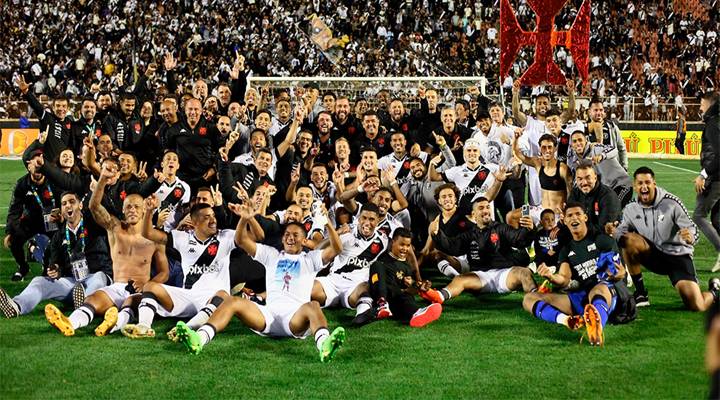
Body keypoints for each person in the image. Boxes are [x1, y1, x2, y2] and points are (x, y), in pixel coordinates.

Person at [174, 203, 347, 363]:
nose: (290, 238)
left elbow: (337, 248)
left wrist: (327, 224)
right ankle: (199, 339)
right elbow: (242, 241)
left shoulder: (311, 259)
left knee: (313, 305)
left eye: (295, 235)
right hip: (267, 316)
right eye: (287, 234)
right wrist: (244, 218)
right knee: (233, 301)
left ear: (304, 241)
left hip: (294, 319)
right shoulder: (271, 255)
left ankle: (324, 345)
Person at [44, 162, 168, 337]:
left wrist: (148, 285)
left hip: (141, 291)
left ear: (143, 211)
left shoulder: (155, 238)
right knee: (91, 299)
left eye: (136, 207)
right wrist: (102, 179)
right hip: (116, 286)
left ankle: (115, 324)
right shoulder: (114, 228)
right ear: (123, 210)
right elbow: (94, 207)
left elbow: (164, 272)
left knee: (131, 303)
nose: (132, 210)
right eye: (128, 207)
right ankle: (70, 323)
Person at [119, 197, 244, 339]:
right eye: (207, 217)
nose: (213, 220)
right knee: (150, 286)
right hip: (188, 296)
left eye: (213, 216)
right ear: (195, 222)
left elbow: (251, 237)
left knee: (223, 294)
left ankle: (187, 329)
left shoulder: (226, 237)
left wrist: (245, 218)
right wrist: (149, 211)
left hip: (213, 299)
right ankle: (144, 327)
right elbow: (148, 234)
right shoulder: (182, 238)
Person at [610, 167, 720, 310]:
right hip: (652, 255)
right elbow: (621, 233)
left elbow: (693, 229)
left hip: (677, 256)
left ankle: (715, 291)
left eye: (648, 182)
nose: (644, 187)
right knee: (627, 240)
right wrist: (613, 231)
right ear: (635, 186)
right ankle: (641, 293)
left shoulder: (672, 203)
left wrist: (690, 237)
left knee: (696, 305)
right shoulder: (630, 208)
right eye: (640, 183)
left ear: (654, 183)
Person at [522, 202, 626, 346]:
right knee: (528, 299)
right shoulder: (566, 249)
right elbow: (564, 279)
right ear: (564, 220)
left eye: (578, 214)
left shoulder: (602, 240)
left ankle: (597, 328)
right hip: (582, 296)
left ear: (585, 217)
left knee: (598, 288)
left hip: (608, 295)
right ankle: (568, 321)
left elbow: (617, 272)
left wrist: (619, 275)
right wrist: (551, 277)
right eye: (570, 215)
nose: (574, 218)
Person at [0, 192, 110, 318]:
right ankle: (16, 306)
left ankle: (84, 308)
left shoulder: (95, 225)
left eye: (72, 202)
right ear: (61, 210)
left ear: (80, 205)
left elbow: (105, 212)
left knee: (98, 279)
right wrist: (56, 270)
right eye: (64, 204)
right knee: (39, 281)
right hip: (73, 283)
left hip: (96, 277)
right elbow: (55, 262)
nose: (68, 206)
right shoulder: (59, 236)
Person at [420, 197, 538, 304]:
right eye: (481, 208)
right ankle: (438, 296)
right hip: (480, 276)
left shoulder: (501, 228)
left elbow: (518, 240)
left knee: (524, 272)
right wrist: (436, 233)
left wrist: (529, 230)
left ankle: (538, 299)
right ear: (473, 214)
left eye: (487, 207)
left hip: (504, 274)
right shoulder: (469, 235)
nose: (486, 210)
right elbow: (452, 247)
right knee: (460, 279)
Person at [361, 228, 442, 327]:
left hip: (396, 302)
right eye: (402, 244)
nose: (405, 248)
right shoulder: (382, 257)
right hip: (380, 295)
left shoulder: (407, 267)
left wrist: (417, 287)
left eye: (408, 246)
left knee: (405, 296)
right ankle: (382, 305)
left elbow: (408, 290)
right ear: (393, 242)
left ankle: (416, 313)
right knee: (376, 265)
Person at [5, 149, 61, 281]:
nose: (37, 169)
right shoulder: (22, 184)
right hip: (30, 220)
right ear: (28, 166)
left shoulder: (55, 181)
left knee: (57, 244)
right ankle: (23, 268)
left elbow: (63, 201)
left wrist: (61, 217)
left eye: (39, 165)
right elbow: (14, 210)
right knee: (14, 240)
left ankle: (47, 267)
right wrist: (9, 232)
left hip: (52, 220)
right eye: (34, 166)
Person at [694, 91, 720, 271]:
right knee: (717, 220)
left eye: (702, 105)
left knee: (698, 215)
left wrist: (704, 174)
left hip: (716, 178)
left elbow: (719, 154)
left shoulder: (712, 124)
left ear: (710, 106)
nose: (700, 108)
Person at [567, 161, 621, 233]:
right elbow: (570, 219)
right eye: (580, 179)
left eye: (588, 178)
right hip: (581, 234)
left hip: (602, 236)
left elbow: (604, 228)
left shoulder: (608, 196)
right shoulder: (575, 193)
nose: (584, 183)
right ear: (576, 180)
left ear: (595, 177)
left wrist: (577, 228)